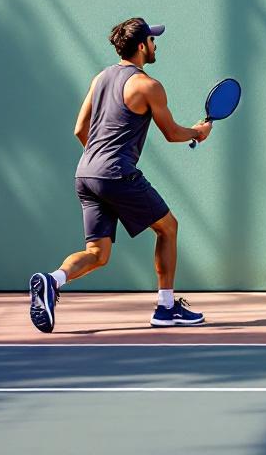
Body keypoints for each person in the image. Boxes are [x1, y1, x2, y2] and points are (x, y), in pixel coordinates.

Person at [29, 18, 213, 332]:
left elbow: (79, 129)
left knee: (97, 254)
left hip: (86, 174)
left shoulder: (100, 78)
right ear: (141, 46)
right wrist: (198, 132)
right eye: (152, 40)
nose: (155, 44)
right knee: (168, 228)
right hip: (115, 173)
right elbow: (171, 133)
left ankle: (52, 280)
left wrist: (99, 162)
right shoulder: (148, 86)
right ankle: (166, 308)